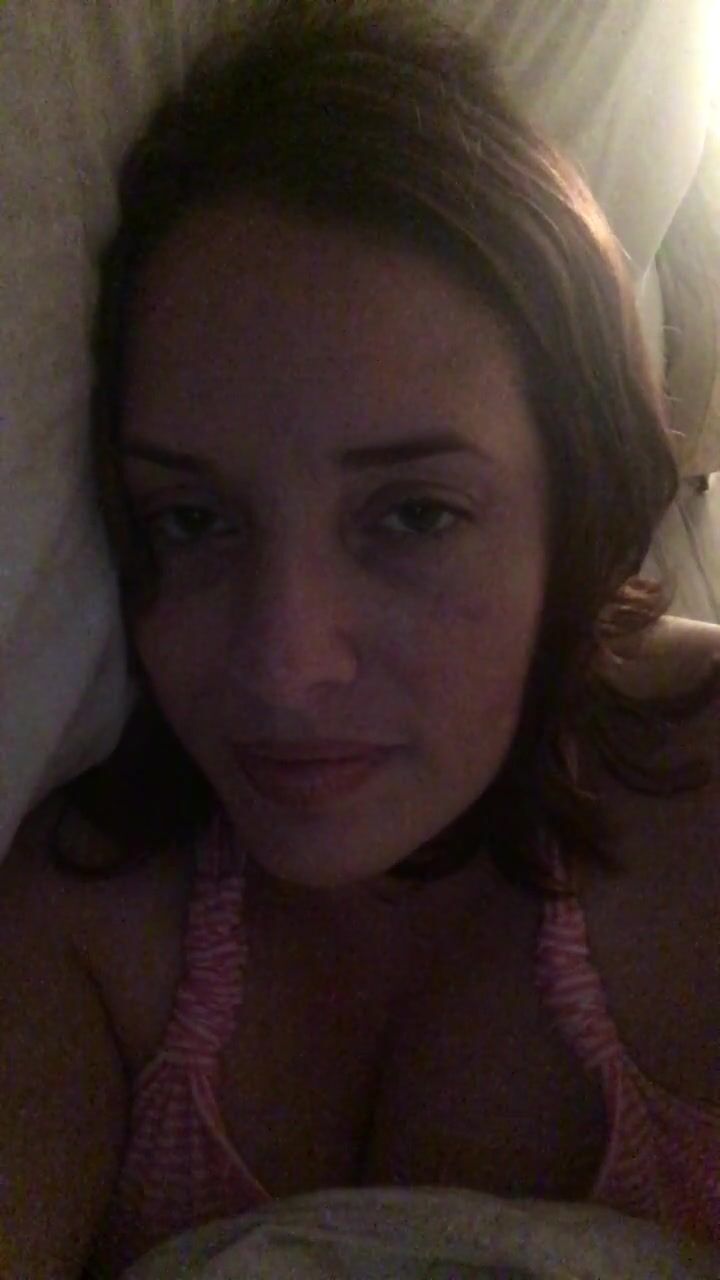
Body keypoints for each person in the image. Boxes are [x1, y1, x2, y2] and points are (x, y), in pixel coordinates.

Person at [1, 2, 719, 1276]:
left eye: (414, 513)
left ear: (579, 493)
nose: (282, 666)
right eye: (194, 519)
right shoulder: (90, 928)